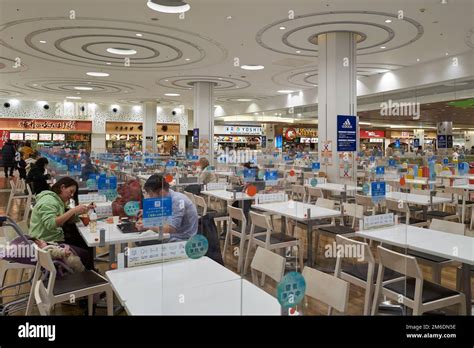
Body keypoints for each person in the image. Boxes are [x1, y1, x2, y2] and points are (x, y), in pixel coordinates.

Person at [29, 177, 94, 268]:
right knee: (86, 250)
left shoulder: (57, 201)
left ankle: (89, 273)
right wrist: (73, 210)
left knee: (85, 243)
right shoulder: (49, 201)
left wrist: (79, 212)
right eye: (71, 191)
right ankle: (85, 276)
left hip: (52, 238)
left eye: (73, 193)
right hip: (46, 243)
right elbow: (51, 224)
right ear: (62, 187)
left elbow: (63, 219)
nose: (72, 195)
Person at [136, 174, 198, 242]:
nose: (150, 197)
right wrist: (146, 213)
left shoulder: (177, 201)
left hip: (182, 239)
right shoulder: (167, 196)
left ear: (161, 192)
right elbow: (164, 214)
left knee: (141, 241)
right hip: (173, 235)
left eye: (151, 194)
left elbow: (171, 229)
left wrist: (147, 225)